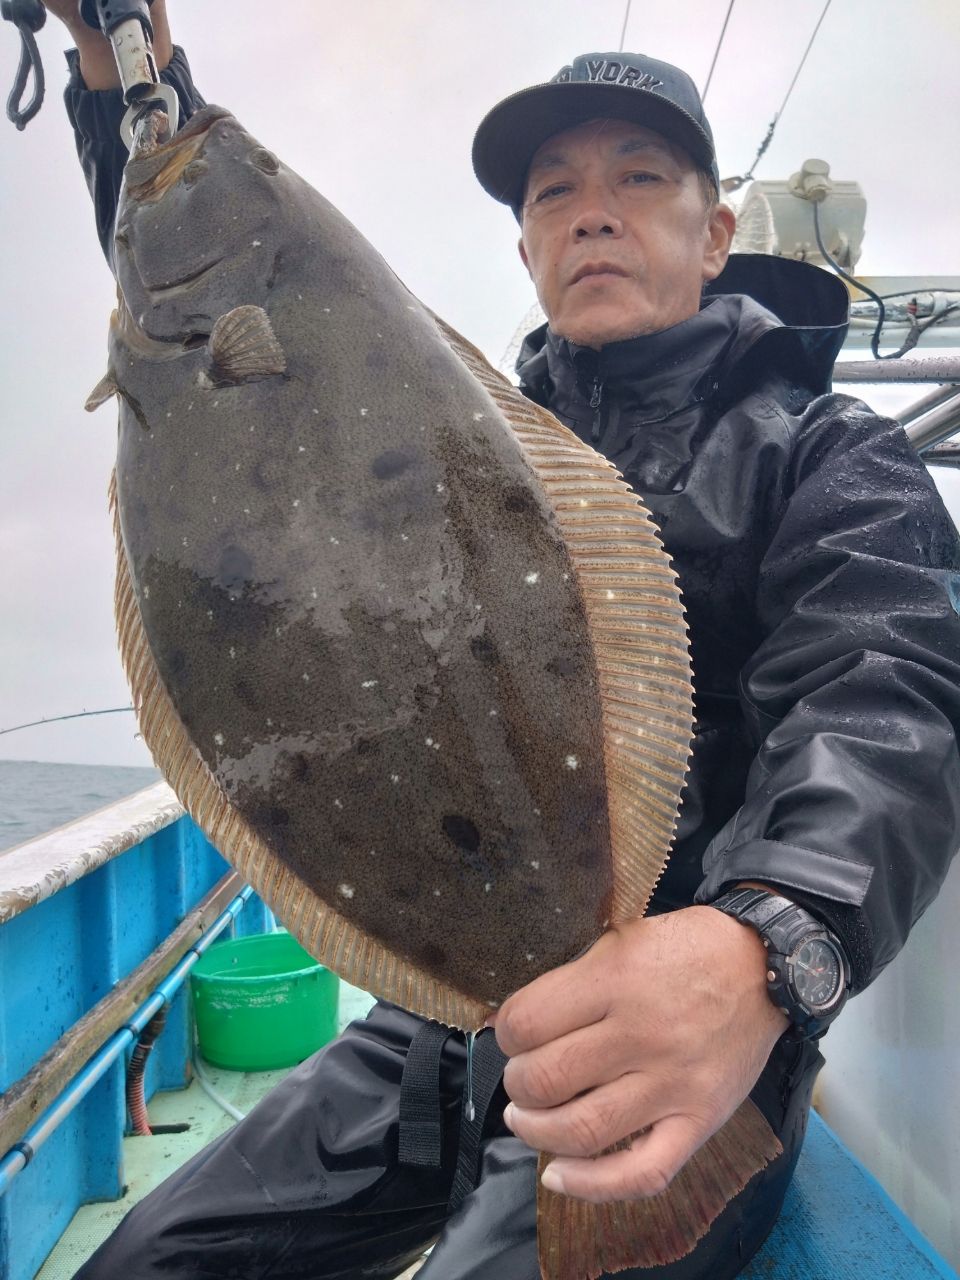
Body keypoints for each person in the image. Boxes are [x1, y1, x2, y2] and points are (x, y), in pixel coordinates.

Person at [42, 5, 960, 1277]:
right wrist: (115, 70)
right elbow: (202, 330)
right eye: (554, 191)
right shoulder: (451, 422)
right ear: (525, 242)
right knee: (149, 1257)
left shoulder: (824, 454)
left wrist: (770, 936)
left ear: (719, 232)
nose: (593, 211)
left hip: (668, 1025)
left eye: (640, 179)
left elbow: (887, 692)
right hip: (434, 1018)